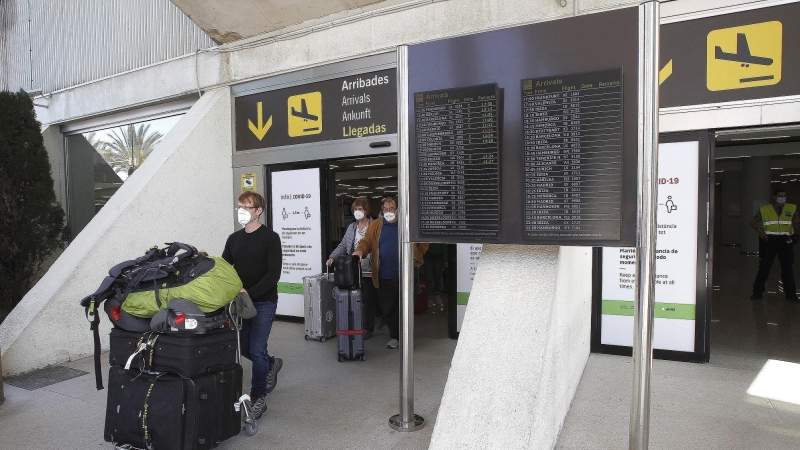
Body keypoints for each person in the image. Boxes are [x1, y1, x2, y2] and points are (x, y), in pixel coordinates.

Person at [222, 191, 283, 420]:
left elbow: (273, 274)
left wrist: (250, 292)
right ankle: (272, 364)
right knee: (246, 348)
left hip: (264, 301)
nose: (242, 211)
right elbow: (226, 268)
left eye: (247, 207)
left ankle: (258, 398)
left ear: (259, 211)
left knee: (256, 349)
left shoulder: (270, 238)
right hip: (242, 303)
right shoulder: (234, 239)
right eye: (239, 206)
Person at [353, 196, 428, 349]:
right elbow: (366, 241)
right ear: (382, 210)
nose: (388, 212)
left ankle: (405, 338)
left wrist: (418, 255)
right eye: (385, 209)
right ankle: (395, 336)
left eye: (391, 208)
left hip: (406, 275)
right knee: (388, 309)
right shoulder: (376, 225)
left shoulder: (407, 224)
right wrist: (360, 251)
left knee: (406, 307)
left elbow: (423, 241)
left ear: (398, 209)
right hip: (384, 275)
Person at [327, 197, 380, 339]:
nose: (357, 212)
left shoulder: (374, 225)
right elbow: (343, 245)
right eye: (355, 209)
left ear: (366, 210)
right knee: (356, 298)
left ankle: (368, 327)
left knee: (368, 299)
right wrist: (332, 257)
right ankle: (356, 325)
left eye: (360, 209)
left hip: (370, 269)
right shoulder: (352, 228)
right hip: (354, 270)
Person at [750, 187, 800, 301]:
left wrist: (794, 232)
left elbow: (796, 222)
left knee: (787, 268)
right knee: (765, 267)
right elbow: (753, 222)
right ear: (774, 197)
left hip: (785, 240)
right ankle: (757, 293)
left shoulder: (791, 208)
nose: (782, 198)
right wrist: (759, 230)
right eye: (780, 196)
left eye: (784, 196)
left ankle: (791, 294)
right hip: (770, 240)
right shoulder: (765, 209)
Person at [424, 243, 448, 311]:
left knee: (437, 276)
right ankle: (430, 298)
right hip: (427, 256)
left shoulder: (440, 232)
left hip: (438, 257)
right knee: (428, 277)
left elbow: (444, 244)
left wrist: (445, 259)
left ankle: (437, 294)